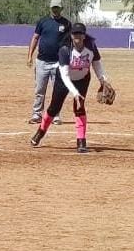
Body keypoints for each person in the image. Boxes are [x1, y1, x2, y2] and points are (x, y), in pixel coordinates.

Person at [29, 23, 109, 154]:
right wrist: (75, 93)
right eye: (75, 34)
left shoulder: (91, 47)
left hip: (83, 78)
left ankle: (81, 141)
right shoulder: (65, 50)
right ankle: (41, 131)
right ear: (71, 35)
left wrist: (103, 81)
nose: (77, 36)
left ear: (84, 35)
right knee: (54, 107)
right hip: (64, 80)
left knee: (79, 107)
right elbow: (65, 76)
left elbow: (97, 64)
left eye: (80, 34)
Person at [26, 0, 71, 125]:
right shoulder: (43, 22)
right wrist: (29, 56)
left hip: (58, 63)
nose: (55, 10)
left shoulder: (67, 24)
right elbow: (35, 38)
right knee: (39, 90)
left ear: (61, 8)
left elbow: (70, 43)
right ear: (50, 8)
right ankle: (37, 114)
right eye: (53, 8)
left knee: (57, 91)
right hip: (42, 62)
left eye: (57, 7)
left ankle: (55, 115)